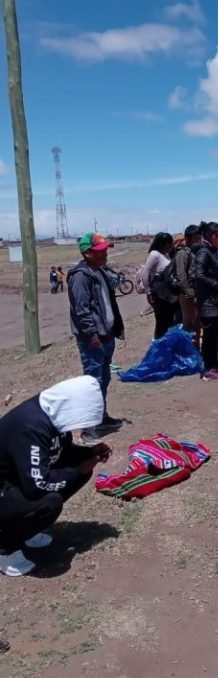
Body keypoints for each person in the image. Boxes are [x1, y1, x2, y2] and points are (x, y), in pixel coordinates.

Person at [0, 376, 111, 577]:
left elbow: (60, 452)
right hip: (5, 487)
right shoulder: (32, 427)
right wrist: (79, 469)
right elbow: (37, 484)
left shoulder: (54, 415)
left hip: (16, 479)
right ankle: (5, 547)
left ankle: (25, 530)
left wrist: (88, 453)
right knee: (49, 501)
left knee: (77, 474)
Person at [67, 233, 125, 445]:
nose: (105, 254)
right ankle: (88, 428)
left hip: (106, 335)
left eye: (106, 250)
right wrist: (92, 335)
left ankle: (100, 418)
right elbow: (82, 311)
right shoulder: (80, 277)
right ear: (87, 253)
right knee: (92, 383)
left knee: (104, 379)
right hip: (93, 339)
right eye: (100, 251)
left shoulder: (98, 271)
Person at [195, 221, 218, 380]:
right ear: (213, 236)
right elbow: (198, 275)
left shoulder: (214, 251)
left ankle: (213, 363)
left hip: (216, 302)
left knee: (215, 335)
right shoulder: (204, 252)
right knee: (209, 336)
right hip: (209, 303)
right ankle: (207, 367)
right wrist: (216, 285)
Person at [141, 232, 178, 340]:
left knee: (169, 321)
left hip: (167, 294)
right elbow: (145, 274)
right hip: (159, 293)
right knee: (162, 322)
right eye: (170, 244)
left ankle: (167, 344)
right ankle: (159, 345)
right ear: (165, 244)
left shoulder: (166, 254)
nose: (171, 246)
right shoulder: (155, 254)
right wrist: (148, 292)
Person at [174, 224, 202, 334]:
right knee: (189, 324)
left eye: (199, 238)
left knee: (196, 324)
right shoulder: (182, 254)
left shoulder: (195, 252)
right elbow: (181, 276)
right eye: (196, 239)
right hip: (187, 294)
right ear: (187, 239)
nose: (198, 241)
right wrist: (190, 294)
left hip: (195, 293)